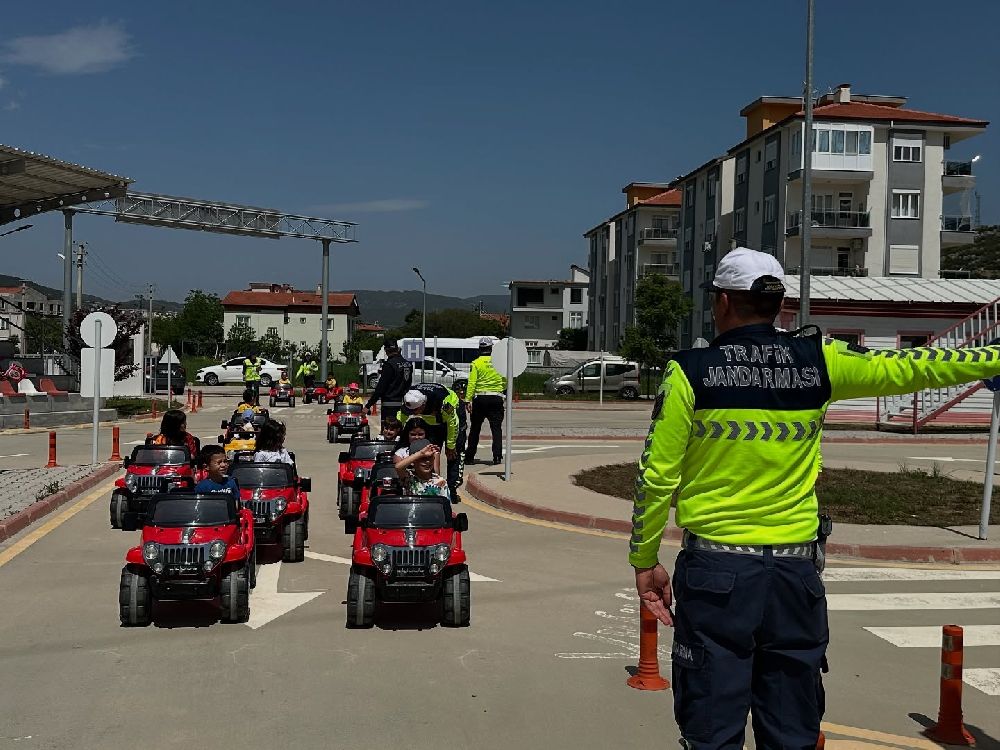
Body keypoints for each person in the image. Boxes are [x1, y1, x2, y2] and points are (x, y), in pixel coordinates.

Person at [631, 246, 1000, 750]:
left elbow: (656, 478)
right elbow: (914, 366)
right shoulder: (820, 359)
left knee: (711, 728)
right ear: (781, 305)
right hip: (794, 578)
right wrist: (993, 356)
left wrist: (645, 559)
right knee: (792, 729)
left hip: (716, 576)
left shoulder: (689, 372)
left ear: (720, 302)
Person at [464, 337, 506, 466]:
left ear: (479, 349)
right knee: (496, 429)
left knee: (475, 429)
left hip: (480, 399)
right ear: (491, 348)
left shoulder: (476, 363)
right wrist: (501, 391)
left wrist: (467, 399)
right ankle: (497, 457)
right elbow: (505, 381)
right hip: (496, 398)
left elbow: (472, 383)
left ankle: (470, 457)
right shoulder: (499, 363)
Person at [365, 339, 413, 420]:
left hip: (390, 405)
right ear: (398, 349)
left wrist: (368, 405)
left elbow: (381, 388)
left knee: (389, 430)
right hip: (404, 405)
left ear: (386, 350)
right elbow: (408, 383)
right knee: (401, 429)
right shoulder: (408, 364)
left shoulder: (389, 365)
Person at [449, 381, 469, 498]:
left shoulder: (461, 404)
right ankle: (452, 485)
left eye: (463, 392)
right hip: (455, 434)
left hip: (458, 434)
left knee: (456, 460)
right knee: (456, 458)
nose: (461, 393)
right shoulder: (456, 404)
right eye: (458, 391)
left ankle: (453, 484)